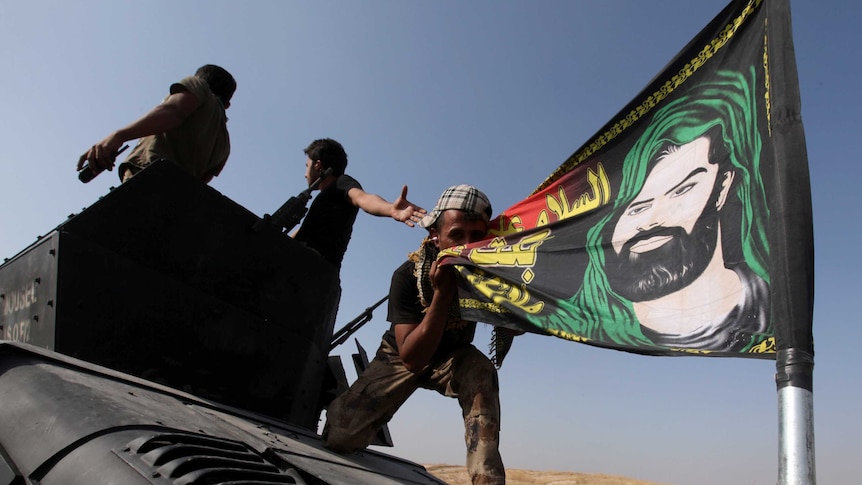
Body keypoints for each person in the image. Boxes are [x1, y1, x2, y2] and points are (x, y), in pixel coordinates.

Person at [539, 68, 771, 352]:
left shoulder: (769, 306)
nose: (651, 220)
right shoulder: (591, 321)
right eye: (636, 207)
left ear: (723, 187)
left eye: (682, 191)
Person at [322, 185, 506, 485]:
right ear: (436, 234)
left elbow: (512, 326)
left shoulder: (487, 274)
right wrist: (443, 297)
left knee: (481, 371)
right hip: (402, 355)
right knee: (339, 437)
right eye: (457, 235)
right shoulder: (407, 276)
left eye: (476, 236)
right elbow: (412, 358)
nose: (467, 246)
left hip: (452, 358)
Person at [77, 64, 237, 184]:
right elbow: (201, 183)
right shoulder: (225, 144)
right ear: (228, 105)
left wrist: (119, 136)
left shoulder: (199, 86)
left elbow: (174, 111)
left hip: (146, 180)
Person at [292, 138, 426, 268]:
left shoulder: (341, 183)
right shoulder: (326, 198)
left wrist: (390, 208)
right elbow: (304, 233)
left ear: (317, 165)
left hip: (315, 271)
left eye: (307, 166)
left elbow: (362, 198)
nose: (305, 174)